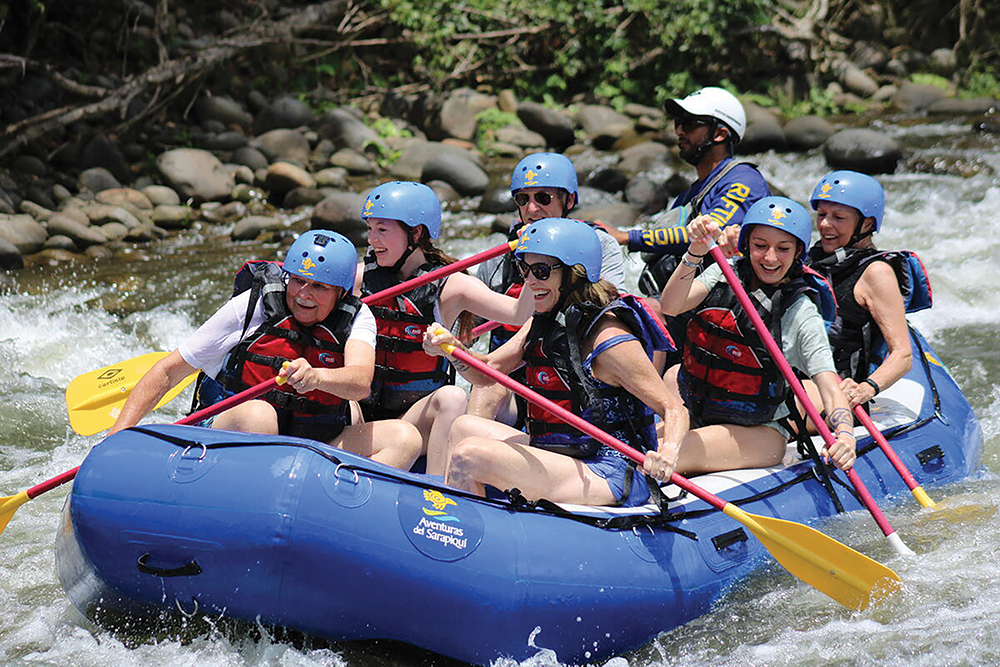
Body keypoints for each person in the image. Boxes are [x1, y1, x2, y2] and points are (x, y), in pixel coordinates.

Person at [108, 230, 422, 470]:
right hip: (234, 431)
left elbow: (360, 381)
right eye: (298, 281)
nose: (303, 295)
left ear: (340, 293)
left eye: (319, 287)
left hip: (312, 442)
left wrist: (316, 377)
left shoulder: (356, 315)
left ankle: (342, 516)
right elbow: (169, 370)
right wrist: (117, 437)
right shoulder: (253, 305)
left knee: (404, 437)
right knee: (260, 415)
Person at [423, 218, 682, 506]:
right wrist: (454, 351)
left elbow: (672, 408)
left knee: (468, 454)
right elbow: (489, 371)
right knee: (462, 428)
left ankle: (456, 529)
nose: (529, 281)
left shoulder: (610, 339)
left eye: (541, 271)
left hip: (607, 468)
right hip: (561, 453)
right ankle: (442, 506)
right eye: (525, 270)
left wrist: (669, 451)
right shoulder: (545, 321)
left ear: (575, 273)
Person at [657, 197, 856, 475]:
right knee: (666, 390)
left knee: (671, 448)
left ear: (798, 251)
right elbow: (671, 306)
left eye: (783, 248)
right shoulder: (726, 272)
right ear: (747, 244)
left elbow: (828, 385)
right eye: (760, 246)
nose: (770, 258)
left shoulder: (800, 311)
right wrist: (695, 252)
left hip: (756, 431)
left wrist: (845, 434)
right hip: (695, 404)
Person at [357, 181, 534, 475]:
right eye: (370, 228)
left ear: (416, 233)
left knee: (453, 397)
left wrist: (531, 257)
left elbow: (518, 313)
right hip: (363, 418)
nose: (372, 240)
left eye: (383, 230)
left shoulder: (451, 287)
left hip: (413, 419)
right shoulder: (360, 279)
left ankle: (436, 491)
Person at [471, 152, 628, 421]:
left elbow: (611, 313)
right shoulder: (498, 260)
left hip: (575, 385)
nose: (532, 210)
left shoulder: (600, 246)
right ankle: (465, 452)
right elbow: (468, 329)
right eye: (523, 199)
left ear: (569, 200)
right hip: (517, 388)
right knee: (488, 385)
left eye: (543, 198)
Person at [597, 87, 770, 296]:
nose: (679, 130)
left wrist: (627, 237)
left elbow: (705, 236)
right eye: (677, 122)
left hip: (725, 303)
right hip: (683, 301)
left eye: (689, 123)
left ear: (719, 134)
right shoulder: (690, 194)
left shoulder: (744, 180)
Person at [806, 170, 929, 409]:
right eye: (821, 214)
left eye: (838, 217)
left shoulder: (876, 273)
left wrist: (866, 388)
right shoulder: (812, 259)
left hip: (838, 391)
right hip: (800, 377)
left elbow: (902, 355)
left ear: (867, 223)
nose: (824, 224)